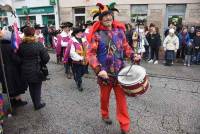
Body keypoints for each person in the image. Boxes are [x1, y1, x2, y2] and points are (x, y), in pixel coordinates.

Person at [87, 2, 140, 134]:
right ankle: (104, 114)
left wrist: (133, 55)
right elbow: (91, 54)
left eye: (109, 15)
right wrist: (99, 70)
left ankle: (125, 126)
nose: (107, 18)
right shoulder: (97, 35)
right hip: (105, 74)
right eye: (104, 16)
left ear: (112, 17)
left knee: (121, 101)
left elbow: (126, 48)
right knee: (104, 98)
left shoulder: (120, 32)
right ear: (100, 19)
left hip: (120, 73)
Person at [18, 27, 50, 110]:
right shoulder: (38, 44)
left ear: (24, 34)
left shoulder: (21, 45)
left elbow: (18, 58)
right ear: (33, 34)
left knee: (31, 87)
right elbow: (46, 58)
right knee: (37, 87)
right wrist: (42, 63)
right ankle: (37, 104)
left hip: (25, 70)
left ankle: (35, 102)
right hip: (37, 70)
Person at [0, 27, 27, 108]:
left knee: (9, 86)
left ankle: (12, 101)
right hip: (12, 70)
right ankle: (17, 101)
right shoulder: (10, 47)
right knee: (15, 86)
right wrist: (21, 60)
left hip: (3, 70)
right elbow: (15, 59)